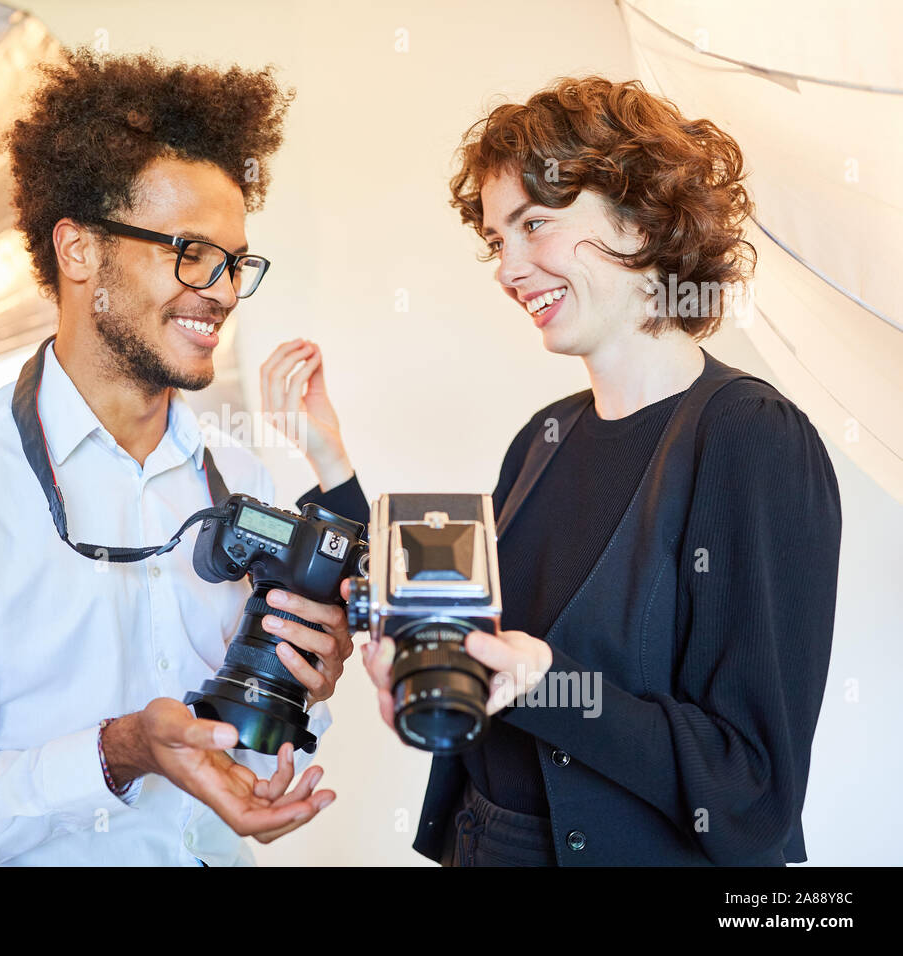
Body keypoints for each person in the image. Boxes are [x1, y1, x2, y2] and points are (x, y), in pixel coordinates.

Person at [261, 76, 841, 866]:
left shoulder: (750, 439)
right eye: (499, 240)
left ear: (640, 217)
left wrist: (546, 684)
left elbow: (751, 786)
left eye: (535, 224)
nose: (507, 268)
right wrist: (329, 460)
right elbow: (453, 616)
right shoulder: (545, 436)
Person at [0, 49, 354, 866]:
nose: (223, 290)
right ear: (79, 251)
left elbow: (255, 752)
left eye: (234, 263)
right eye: (191, 253)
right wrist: (117, 752)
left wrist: (303, 684)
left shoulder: (241, 480)